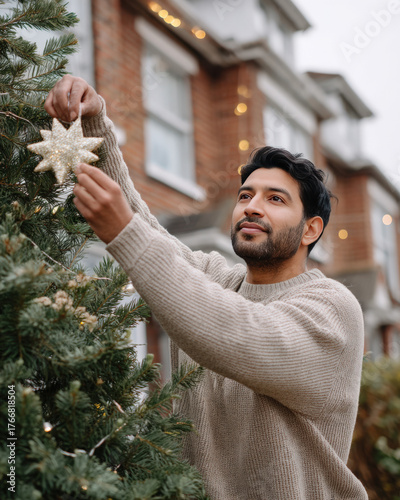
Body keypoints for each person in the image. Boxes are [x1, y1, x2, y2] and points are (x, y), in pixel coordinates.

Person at [45, 75, 368, 500]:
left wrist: (123, 231)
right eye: (245, 195)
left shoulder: (332, 307)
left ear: (311, 229)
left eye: (275, 199)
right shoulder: (219, 278)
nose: (251, 206)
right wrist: (92, 125)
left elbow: (242, 335)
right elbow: (147, 233)